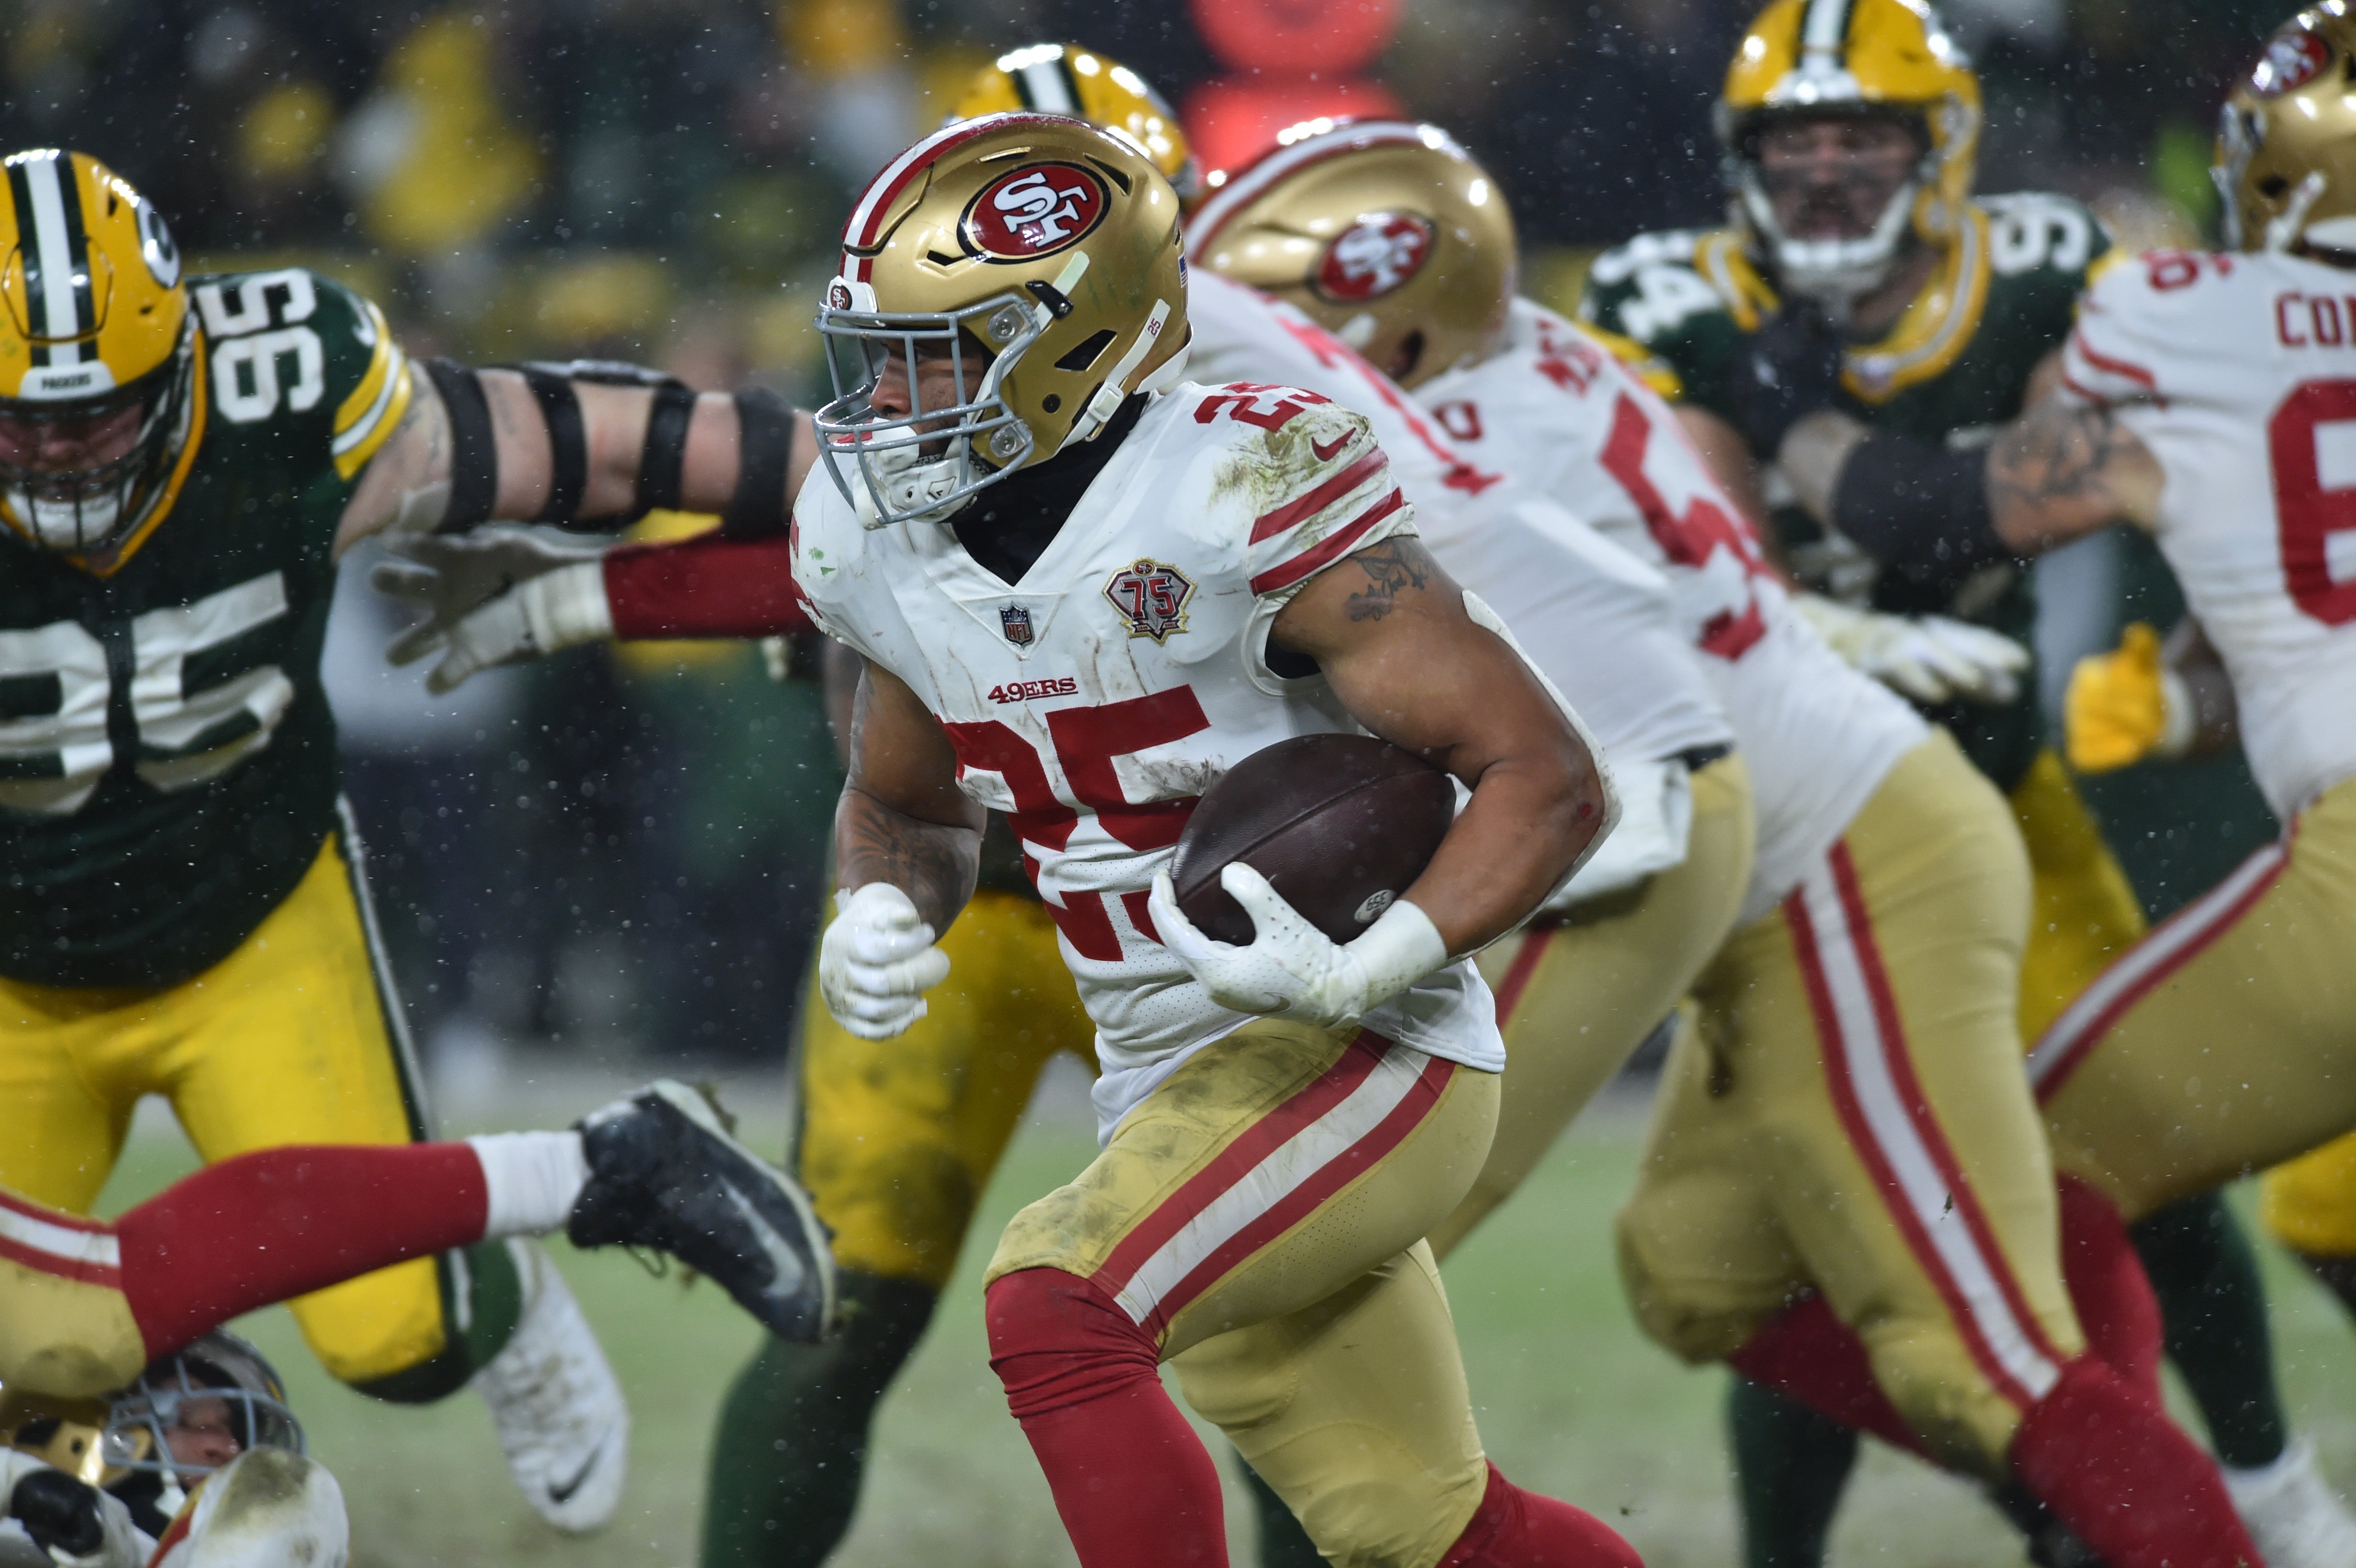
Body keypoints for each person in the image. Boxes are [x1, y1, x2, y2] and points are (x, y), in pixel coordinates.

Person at [1192, 114, 2267, 1568]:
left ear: (1381, 311)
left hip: (1847, 854)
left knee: (1978, 1360)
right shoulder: (1530, 375)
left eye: (1289, 332)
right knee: (1697, 1274)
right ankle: (2089, 1498)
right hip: (1730, 830)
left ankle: (2162, 1514)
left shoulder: (1439, 434)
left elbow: (1459, 578)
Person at [1576, 3, 2347, 1559]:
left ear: (1943, 154)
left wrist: (1797, 418)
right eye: (1790, 146)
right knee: (1803, 1216)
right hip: (1787, 836)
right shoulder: (1664, 297)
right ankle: (2088, 1498)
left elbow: (1960, 512)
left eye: (1860, 139)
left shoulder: (2079, 282)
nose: (1824, 178)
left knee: (2055, 1161)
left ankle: (2225, 1500)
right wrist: (2195, 674)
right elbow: (1660, 530)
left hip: (1986, 794)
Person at [0, 1078, 834, 1565]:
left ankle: (557, 1196)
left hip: (236, 898)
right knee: (74, 1332)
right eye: (205, 1425)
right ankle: (586, 1170)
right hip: (44, 938)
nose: (225, 1452)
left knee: (399, 1334)